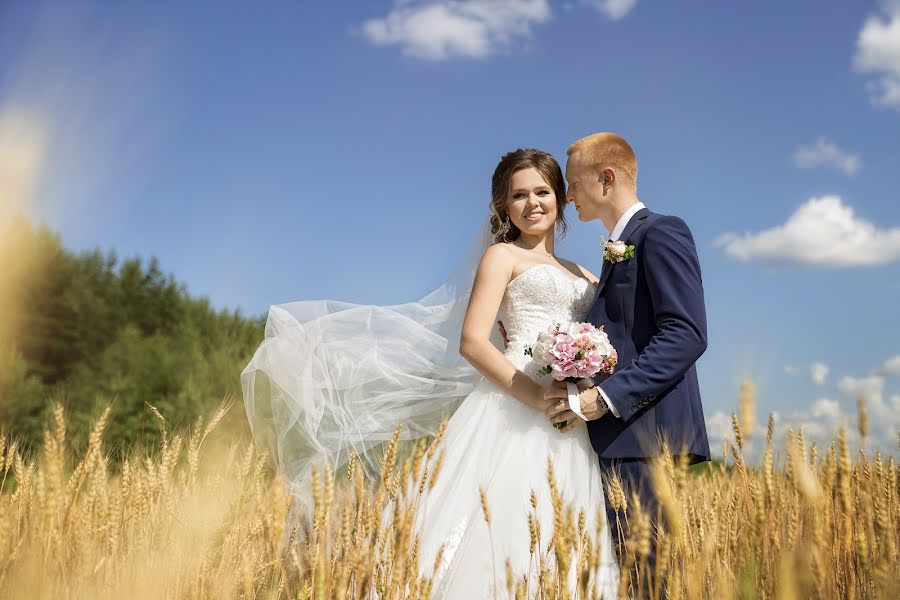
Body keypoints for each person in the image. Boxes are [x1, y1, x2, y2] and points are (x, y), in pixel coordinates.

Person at [242, 148, 619, 598]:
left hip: (573, 412)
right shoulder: (502, 256)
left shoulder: (586, 273)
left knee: (566, 527)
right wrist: (536, 397)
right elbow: (473, 342)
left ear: (559, 197)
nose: (531, 203)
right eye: (518, 195)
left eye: (542, 192)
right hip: (514, 401)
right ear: (504, 206)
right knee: (497, 523)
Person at [542, 132, 711, 580]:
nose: (567, 195)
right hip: (621, 440)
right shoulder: (615, 250)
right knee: (629, 577)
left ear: (607, 178)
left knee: (648, 579)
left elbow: (686, 334)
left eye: (573, 183)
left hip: (646, 439)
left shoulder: (661, 231)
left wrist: (606, 397)